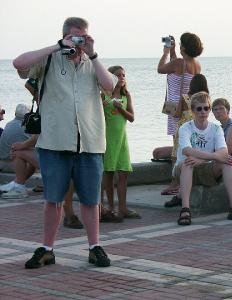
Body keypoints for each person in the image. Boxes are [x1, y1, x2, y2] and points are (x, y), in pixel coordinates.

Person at [13, 17, 115, 268]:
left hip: (89, 143)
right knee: (53, 199)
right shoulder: (49, 59)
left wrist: (93, 54)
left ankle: (95, 247)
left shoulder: (92, 63)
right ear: (65, 36)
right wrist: (57, 46)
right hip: (55, 142)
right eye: (74, 37)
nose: (79, 43)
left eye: (83, 37)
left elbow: (111, 87)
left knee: (91, 200)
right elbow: (19, 63)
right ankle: (47, 248)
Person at [173, 92, 232, 225]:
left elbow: (224, 152)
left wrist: (204, 160)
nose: (203, 112)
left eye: (206, 108)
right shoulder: (185, 128)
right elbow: (187, 150)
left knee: (226, 162)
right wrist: (212, 156)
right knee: (188, 163)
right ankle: (185, 209)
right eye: (199, 108)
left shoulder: (216, 129)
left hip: (206, 167)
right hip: (184, 168)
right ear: (193, 111)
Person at [157, 32, 203, 195]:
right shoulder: (195, 64)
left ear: (184, 46)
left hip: (176, 108)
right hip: (188, 107)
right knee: (185, 145)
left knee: (176, 148)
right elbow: (178, 68)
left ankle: (174, 182)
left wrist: (165, 53)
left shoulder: (178, 63)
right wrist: (173, 51)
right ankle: (181, 180)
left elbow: (161, 69)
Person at [100, 65, 140, 222]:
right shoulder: (104, 95)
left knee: (123, 173)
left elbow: (131, 118)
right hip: (108, 139)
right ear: (111, 78)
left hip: (122, 139)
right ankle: (110, 207)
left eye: (124, 75)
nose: (122, 77)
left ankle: (122, 207)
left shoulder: (126, 95)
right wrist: (103, 106)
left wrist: (120, 108)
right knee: (108, 173)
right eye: (118, 75)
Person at [164, 74, 210, 207]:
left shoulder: (186, 97)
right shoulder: (206, 98)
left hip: (184, 126)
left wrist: (170, 107)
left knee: (176, 154)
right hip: (198, 127)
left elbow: (177, 113)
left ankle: (175, 183)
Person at [0, 104, 31, 174]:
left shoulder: (8, 124)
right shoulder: (29, 127)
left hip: (2, 165)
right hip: (19, 166)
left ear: (15, 113)